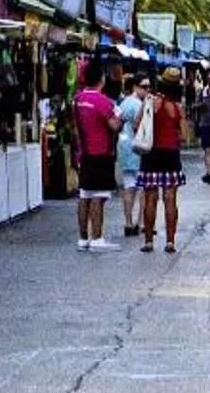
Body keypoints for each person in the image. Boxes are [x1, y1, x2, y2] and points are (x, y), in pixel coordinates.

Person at [69, 61, 120, 251]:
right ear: (102, 79)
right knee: (98, 195)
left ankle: (83, 238)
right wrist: (120, 118)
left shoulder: (77, 99)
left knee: (85, 195)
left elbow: (74, 128)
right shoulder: (102, 101)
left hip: (84, 152)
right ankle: (97, 237)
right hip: (101, 152)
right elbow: (114, 125)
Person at [139, 75, 187, 252]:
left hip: (151, 153)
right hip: (171, 155)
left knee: (150, 198)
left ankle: (149, 241)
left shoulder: (149, 102)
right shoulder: (177, 107)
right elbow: (184, 135)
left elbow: (137, 124)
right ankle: (170, 241)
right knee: (170, 199)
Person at [113, 71, 147, 239]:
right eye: (144, 87)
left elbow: (117, 124)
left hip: (125, 148)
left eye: (148, 87)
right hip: (139, 149)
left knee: (129, 186)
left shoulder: (124, 103)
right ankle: (140, 223)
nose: (147, 90)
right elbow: (139, 127)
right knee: (143, 188)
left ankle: (128, 222)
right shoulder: (138, 105)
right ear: (135, 86)